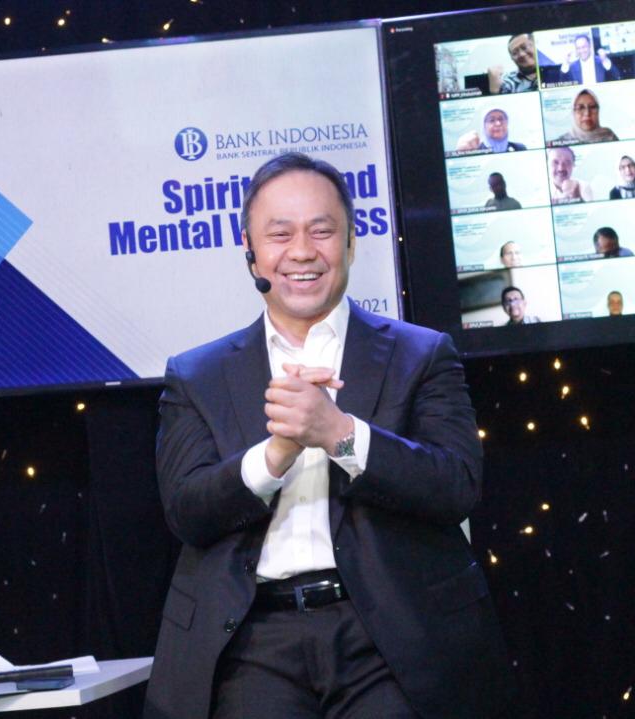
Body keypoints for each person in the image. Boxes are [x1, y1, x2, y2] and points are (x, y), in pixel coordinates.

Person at [144, 152, 513, 719]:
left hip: (390, 635)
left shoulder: (421, 354)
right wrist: (275, 455)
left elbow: (455, 486)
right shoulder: (198, 375)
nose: (301, 251)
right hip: (252, 641)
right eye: (280, 234)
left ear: (351, 243)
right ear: (249, 249)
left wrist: (339, 434)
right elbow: (187, 512)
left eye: (321, 231)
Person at [553, 89, 619, 144]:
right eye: (580, 108)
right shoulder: (561, 142)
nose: (587, 113)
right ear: (573, 112)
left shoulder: (609, 136)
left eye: (592, 107)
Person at [456, 108, 527, 153]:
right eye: (492, 120)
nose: (498, 123)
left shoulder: (520, 148)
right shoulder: (475, 150)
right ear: (484, 126)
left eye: (501, 119)